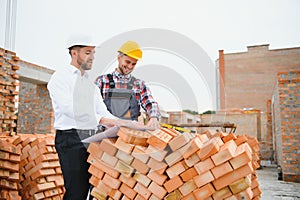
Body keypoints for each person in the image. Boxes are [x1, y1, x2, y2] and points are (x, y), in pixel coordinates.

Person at [47, 35, 145, 200]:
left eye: (93, 52)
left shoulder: (90, 85)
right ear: (74, 53)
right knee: (76, 193)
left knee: (95, 190)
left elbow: (104, 112)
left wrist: (127, 124)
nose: (92, 57)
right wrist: (101, 120)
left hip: (92, 137)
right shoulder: (60, 77)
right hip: (71, 139)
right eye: (87, 52)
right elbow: (69, 108)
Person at [95, 40, 161, 129]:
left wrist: (153, 117)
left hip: (130, 134)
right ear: (119, 58)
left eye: (133, 64)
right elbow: (93, 108)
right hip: (105, 133)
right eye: (127, 62)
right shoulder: (102, 81)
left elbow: (150, 102)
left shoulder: (139, 85)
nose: (130, 67)